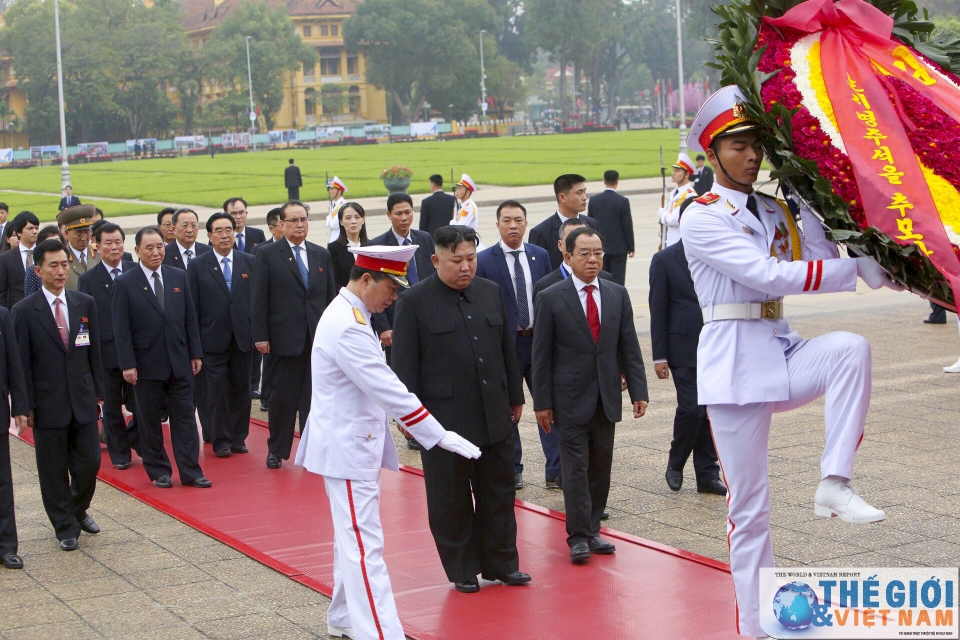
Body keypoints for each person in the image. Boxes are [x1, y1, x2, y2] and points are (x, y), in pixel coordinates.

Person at [682, 85, 897, 638]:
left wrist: (812, 206)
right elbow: (769, 277)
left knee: (851, 348)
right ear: (711, 154)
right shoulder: (700, 216)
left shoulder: (774, 208)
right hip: (734, 370)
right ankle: (756, 629)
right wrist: (859, 272)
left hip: (781, 348)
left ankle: (835, 481)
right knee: (749, 512)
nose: (752, 155)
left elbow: (819, 262)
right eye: (737, 146)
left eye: (758, 144)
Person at [294, 244, 481, 640]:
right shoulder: (348, 324)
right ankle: (381, 633)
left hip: (349, 445)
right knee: (365, 547)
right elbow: (388, 389)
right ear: (366, 279)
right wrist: (438, 434)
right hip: (347, 449)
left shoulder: (353, 314)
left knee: (352, 540)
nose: (395, 297)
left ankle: (344, 617)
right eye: (391, 288)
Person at [392, 225, 530, 594]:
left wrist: (514, 396)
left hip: (493, 413)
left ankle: (502, 563)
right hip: (443, 421)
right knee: (450, 499)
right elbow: (404, 366)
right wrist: (410, 417)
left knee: (499, 492)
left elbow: (507, 351)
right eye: (457, 260)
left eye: (471, 258)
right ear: (436, 260)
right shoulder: (414, 301)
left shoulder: (490, 292)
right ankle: (462, 568)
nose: (466, 267)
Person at [532, 226, 648, 565]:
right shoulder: (551, 297)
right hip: (568, 400)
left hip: (605, 397)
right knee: (575, 469)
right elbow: (541, 356)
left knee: (601, 466)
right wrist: (543, 402)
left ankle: (594, 527)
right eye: (584, 253)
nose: (593, 259)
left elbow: (629, 345)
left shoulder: (616, 293)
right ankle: (578, 535)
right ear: (567, 256)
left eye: (597, 252)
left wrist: (638, 391)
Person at [12, 239, 104, 551]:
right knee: (52, 470)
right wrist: (24, 405)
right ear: (38, 270)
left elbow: (95, 353)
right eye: (53, 265)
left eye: (64, 264)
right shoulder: (24, 311)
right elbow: (20, 363)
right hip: (47, 401)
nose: (61, 270)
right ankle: (64, 525)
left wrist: (100, 394)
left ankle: (77, 510)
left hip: (82, 397)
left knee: (89, 463)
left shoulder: (84, 303)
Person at [112, 226, 211, 489]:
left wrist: (195, 353)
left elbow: (190, 318)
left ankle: (191, 471)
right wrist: (127, 364)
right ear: (137, 251)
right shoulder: (125, 282)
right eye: (149, 248)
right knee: (149, 421)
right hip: (145, 366)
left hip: (179, 361)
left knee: (186, 419)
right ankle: (159, 471)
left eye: (160, 247)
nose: (156, 252)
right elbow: (121, 328)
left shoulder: (178, 276)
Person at [475, 200, 559, 490]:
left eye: (519, 220)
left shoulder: (540, 255)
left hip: (537, 343)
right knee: (509, 409)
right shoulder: (484, 261)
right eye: (507, 220)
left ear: (526, 223)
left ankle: (556, 470)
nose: (513, 225)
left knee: (548, 404)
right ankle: (514, 467)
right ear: (497, 224)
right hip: (505, 347)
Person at [252, 201, 337, 469]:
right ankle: (277, 449)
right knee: (283, 399)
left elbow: (331, 296)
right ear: (282, 224)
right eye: (294, 220)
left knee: (315, 398)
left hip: (317, 339)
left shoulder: (320, 254)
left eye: (303, 219)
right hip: (283, 339)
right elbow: (258, 299)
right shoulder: (267, 255)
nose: (300, 224)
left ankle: (315, 449)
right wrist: (261, 336)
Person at [648, 231, 724, 496]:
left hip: (716, 346)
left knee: (709, 413)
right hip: (682, 349)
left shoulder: (716, 256)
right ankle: (676, 461)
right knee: (692, 409)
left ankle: (707, 474)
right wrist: (660, 356)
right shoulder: (664, 259)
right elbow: (657, 309)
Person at [188, 212, 255, 457]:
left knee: (241, 390)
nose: (225, 235)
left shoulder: (249, 261)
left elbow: (256, 303)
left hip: (242, 338)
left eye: (229, 230)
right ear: (209, 236)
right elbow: (192, 308)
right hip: (211, 339)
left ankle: (239, 437)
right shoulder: (197, 265)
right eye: (219, 230)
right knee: (215, 392)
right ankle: (220, 439)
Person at [77, 222, 139, 470]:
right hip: (106, 353)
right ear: (97, 246)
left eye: (118, 242)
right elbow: (84, 321)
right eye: (108, 243)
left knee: (144, 406)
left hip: (138, 352)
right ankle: (120, 453)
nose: (114, 247)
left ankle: (137, 440)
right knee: (112, 407)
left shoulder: (136, 270)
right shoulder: (89, 279)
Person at [370, 193, 435, 367]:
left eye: (408, 212)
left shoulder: (425, 239)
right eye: (398, 213)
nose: (404, 218)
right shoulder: (378, 245)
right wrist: (383, 326)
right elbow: (372, 291)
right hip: (395, 322)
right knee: (400, 370)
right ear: (388, 215)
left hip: (428, 316)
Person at [0, 302, 28, 568]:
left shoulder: (2, 315)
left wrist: (20, 406)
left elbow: (13, 362)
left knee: (2, 483)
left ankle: (6, 545)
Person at [528, 174, 599, 270]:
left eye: (584, 192)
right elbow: (538, 271)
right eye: (579, 193)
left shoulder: (592, 224)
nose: (584, 197)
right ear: (562, 197)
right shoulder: (541, 232)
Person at [252, 207, 283, 412]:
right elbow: (258, 291)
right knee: (270, 361)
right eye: (283, 223)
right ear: (272, 228)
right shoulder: (261, 251)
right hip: (272, 315)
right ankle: (267, 397)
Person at [533, 218, 612, 298]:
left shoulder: (607, 279)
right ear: (560, 245)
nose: (577, 243)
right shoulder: (545, 286)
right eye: (571, 239)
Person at [587, 170, 634, 285]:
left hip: (599, 246)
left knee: (602, 277)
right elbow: (627, 225)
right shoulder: (622, 201)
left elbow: (589, 224)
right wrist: (631, 246)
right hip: (619, 247)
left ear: (604, 181)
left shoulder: (594, 200)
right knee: (618, 278)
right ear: (617, 182)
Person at [0, 211, 41, 309]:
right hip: (16, 314)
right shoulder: (5, 258)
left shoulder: (44, 254)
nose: (35, 231)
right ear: (19, 232)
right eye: (30, 228)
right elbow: (1, 293)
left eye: (36, 228)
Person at [658, 153, 697, 248]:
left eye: (677, 171)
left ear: (687, 174)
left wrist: (661, 213)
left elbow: (672, 220)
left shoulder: (689, 195)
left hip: (681, 244)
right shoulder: (673, 192)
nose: (673, 173)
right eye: (673, 170)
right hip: (670, 242)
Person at [58, 205, 101, 291]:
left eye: (87, 233)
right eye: (78, 234)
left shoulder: (99, 252)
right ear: (66, 234)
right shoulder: (61, 257)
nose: (84, 238)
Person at [328, 202, 369, 289]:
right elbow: (333, 281)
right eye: (348, 218)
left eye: (357, 217)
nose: (353, 221)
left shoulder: (372, 246)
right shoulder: (333, 248)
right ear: (341, 221)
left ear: (363, 220)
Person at [325, 176, 348, 244]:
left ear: (339, 191)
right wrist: (329, 221)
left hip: (339, 239)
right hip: (333, 238)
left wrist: (329, 221)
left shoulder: (343, 205)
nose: (330, 191)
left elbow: (334, 224)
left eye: (332, 189)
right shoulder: (334, 204)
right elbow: (328, 223)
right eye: (329, 189)